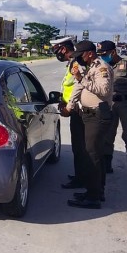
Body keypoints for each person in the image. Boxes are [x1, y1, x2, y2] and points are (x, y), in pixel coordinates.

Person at [65, 40, 114, 209]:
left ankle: (93, 197)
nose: (79, 59)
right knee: (94, 154)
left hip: (98, 114)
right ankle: (95, 191)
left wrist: (81, 79)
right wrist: (70, 105)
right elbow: (79, 86)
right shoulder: (89, 66)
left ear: (90, 53)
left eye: (81, 55)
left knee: (92, 154)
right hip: (89, 114)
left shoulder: (102, 68)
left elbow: (104, 90)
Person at [97, 40, 127, 177]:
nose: (102, 57)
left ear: (113, 52)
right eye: (100, 54)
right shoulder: (101, 66)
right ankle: (107, 164)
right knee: (108, 135)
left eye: (104, 54)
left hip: (126, 105)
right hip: (109, 104)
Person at [50, 36, 88, 190]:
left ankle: (82, 179)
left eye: (56, 50)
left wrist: (69, 106)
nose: (56, 54)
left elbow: (80, 86)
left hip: (78, 110)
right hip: (73, 108)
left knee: (80, 147)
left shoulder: (77, 63)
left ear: (64, 49)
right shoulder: (72, 62)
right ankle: (80, 175)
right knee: (78, 146)